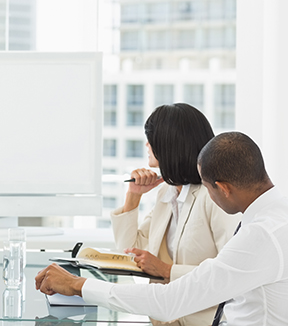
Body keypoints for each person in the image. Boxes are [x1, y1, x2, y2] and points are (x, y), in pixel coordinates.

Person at [36, 131, 288, 325]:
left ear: (223, 188)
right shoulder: (274, 215)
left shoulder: (261, 235)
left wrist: (77, 285)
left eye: (207, 187)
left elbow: (170, 301)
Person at [109, 103, 241, 324]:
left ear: (169, 145)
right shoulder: (168, 193)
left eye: (151, 139)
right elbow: (130, 253)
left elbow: (230, 273)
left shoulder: (214, 198)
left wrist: (166, 270)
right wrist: (133, 195)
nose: (146, 145)